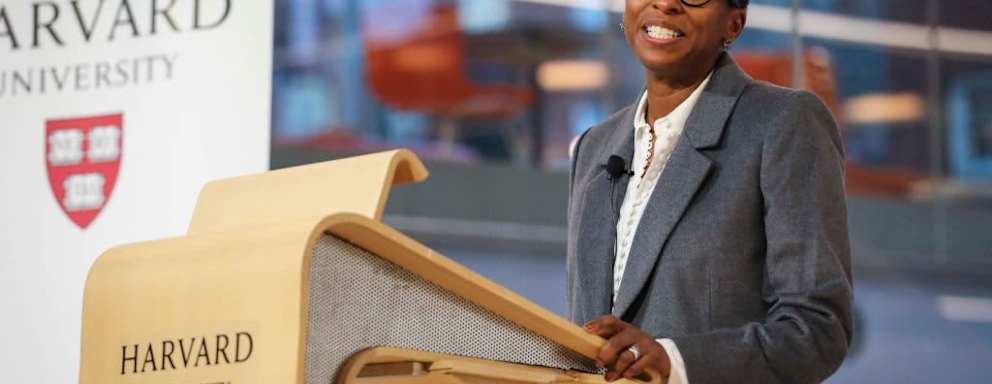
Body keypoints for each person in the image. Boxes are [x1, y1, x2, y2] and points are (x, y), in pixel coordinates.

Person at [565, 0, 853, 383]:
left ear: (733, 24)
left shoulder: (784, 124)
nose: (665, 3)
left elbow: (817, 329)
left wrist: (672, 362)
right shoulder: (594, 147)